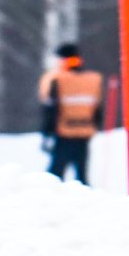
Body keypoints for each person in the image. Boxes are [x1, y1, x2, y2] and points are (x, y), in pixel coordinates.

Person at [37, 42, 102, 184]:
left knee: (54, 177)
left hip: (63, 134)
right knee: (82, 177)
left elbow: (51, 110)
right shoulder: (91, 80)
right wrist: (97, 126)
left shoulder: (57, 80)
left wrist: (46, 134)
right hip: (84, 133)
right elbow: (97, 109)